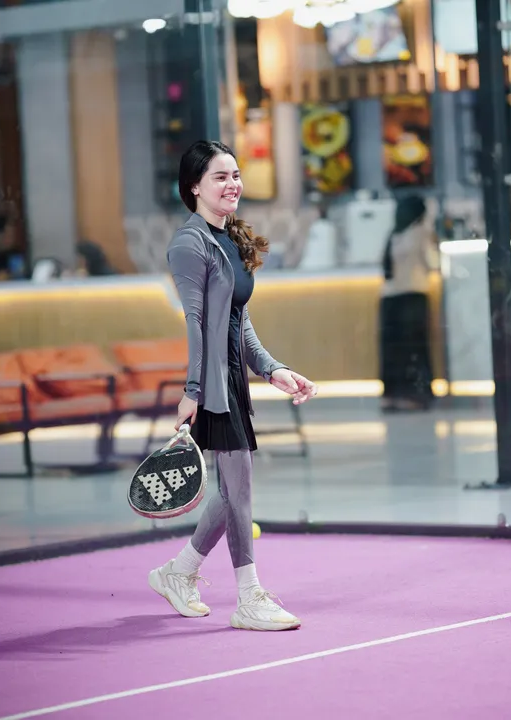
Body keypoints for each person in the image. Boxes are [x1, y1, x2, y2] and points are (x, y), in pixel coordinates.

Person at [149, 140, 318, 631]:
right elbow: (197, 322)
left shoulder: (230, 239)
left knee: (231, 490)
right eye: (220, 177)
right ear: (194, 187)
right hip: (213, 385)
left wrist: (273, 369)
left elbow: (237, 322)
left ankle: (178, 572)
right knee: (237, 489)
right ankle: (249, 598)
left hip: (232, 381)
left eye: (236, 175)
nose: (232, 185)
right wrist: (193, 391)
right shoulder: (189, 244)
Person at [380, 195, 438, 412]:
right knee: (414, 350)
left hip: (388, 298)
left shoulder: (393, 233)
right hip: (413, 294)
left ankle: (391, 396)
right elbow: (433, 262)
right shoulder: (422, 232)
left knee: (393, 352)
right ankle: (415, 396)